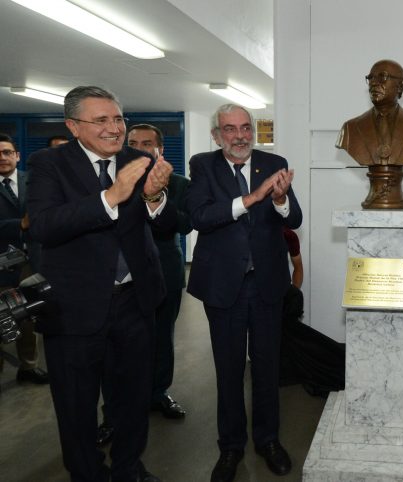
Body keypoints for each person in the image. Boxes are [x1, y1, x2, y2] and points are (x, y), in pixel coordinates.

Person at [26, 85, 172, 482]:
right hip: (74, 307)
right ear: (74, 126)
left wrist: (154, 196)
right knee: (76, 403)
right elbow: (43, 226)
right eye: (101, 120)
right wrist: (112, 195)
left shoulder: (141, 159)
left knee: (133, 397)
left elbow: (167, 223)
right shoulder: (48, 164)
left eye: (118, 118)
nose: (114, 128)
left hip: (135, 301)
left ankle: (129, 469)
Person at [186, 103, 302, 481]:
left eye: (245, 128)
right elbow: (200, 217)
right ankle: (231, 447)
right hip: (224, 286)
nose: (239, 136)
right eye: (230, 129)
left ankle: (268, 441)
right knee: (229, 370)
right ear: (216, 135)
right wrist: (251, 199)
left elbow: (295, 218)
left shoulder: (274, 163)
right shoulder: (203, 166)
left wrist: (280, 200)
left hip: (266, 283)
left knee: (267, 369)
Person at [96, 124, 190, 446]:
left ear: (159, 149)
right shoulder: (110, 181)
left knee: (162, 337)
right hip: (118, 279)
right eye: (132, 142)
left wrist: (156, 196)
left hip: (163, 270)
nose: (138, 147)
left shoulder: (178, 183)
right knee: (114, 348)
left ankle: (158, 393)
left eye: (146, 143)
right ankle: (113, 413)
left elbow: (184, 224)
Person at [0, 133, 49, 388]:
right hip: (2, 264)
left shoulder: (34, 181)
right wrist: (19, 223)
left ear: (17, 156)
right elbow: (26, 221)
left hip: (33, 261)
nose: (3, 157)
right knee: (3, 318)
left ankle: (28, 367)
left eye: (7, 152)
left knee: (27, 316)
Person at [336, 59, 403, 166]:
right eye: (370, 78)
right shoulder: (350, 129)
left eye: (382, 77)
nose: (373, 83)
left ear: (401, 86)